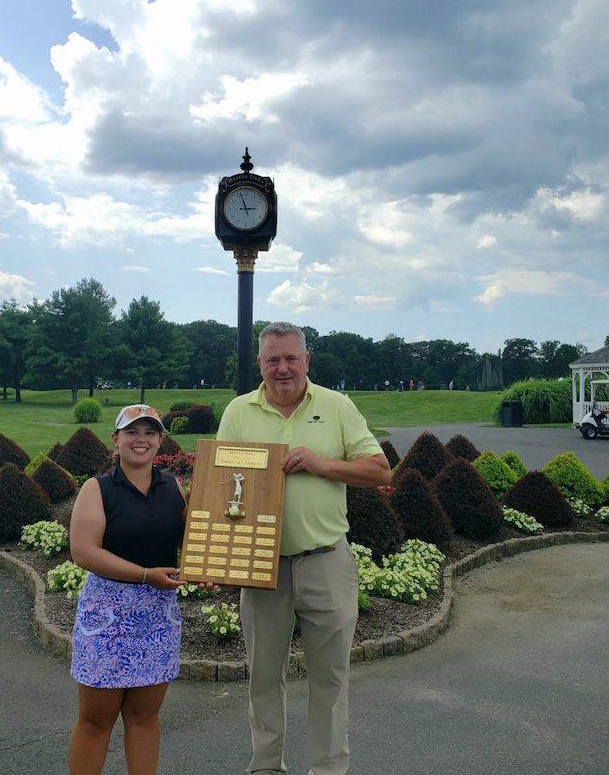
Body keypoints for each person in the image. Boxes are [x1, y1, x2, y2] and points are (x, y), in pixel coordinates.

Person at [217, 321, 391, 775]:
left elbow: (379, 470)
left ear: (306, 360)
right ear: (260, 363)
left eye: (291, 358)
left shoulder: (336, 406)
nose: (282, 368)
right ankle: (266, 766)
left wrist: (321, 464)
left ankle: (328, 769)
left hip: (325, 560)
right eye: (272, 359)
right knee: (262, 676)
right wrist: (217, 551)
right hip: (261, 565)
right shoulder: (238, 411)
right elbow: (221, 490)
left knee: (330, 678)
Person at [68, 404, 208, 775]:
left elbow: (198, 540)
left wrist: (211, 567)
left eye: (150, 432)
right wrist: (145, 574)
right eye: (132, 431)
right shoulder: (97, 489)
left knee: (145, 717)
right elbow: (84, 551)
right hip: (107, 618)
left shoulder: (174, 487)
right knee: (96, 722)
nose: (141, 439)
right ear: (116, 439)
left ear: (160, 439)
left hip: (158, 617)